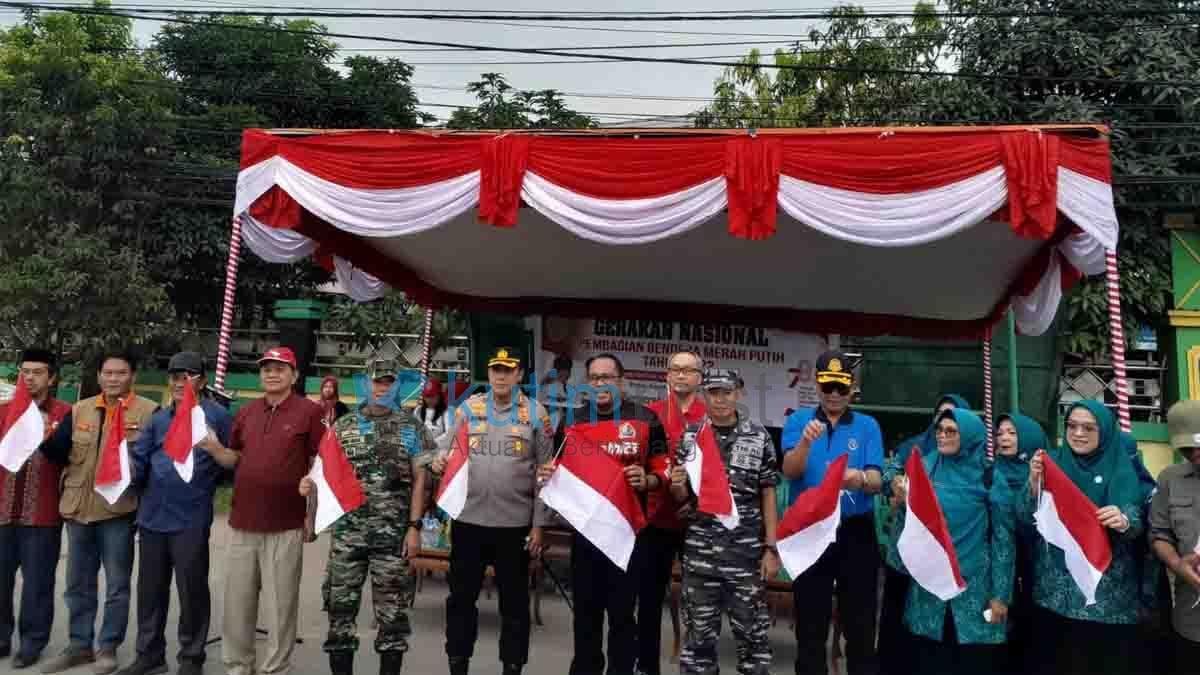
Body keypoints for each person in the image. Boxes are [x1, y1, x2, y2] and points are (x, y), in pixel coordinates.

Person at [299, 361, 435, 675]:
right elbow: (323, 475)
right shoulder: (343, 428)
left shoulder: (412, 428)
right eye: (377, 382)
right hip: (348, 537)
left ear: (397, 386)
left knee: (393, 621)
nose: (382, 388)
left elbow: (421, 481)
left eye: (388, 382)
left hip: (393, 539)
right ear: (366, 385)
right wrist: (312, 519)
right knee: (340, 615)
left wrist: (414, 528)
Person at [196, 347, 326, 675]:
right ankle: (238, 666)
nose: (271, 373)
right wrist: (214, 448)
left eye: (280, 368)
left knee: (281, 606)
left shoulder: (308, 413)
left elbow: (321, 464)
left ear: (294, 375)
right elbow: (235, 458)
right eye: (266, 368)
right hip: (242, 523)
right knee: (237, 604)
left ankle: (275, 669)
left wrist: (311, 512)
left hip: (286, 524)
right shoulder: (247, 412)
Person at [540, 353, 668, 675]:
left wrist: (649, 479)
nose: (600, 383)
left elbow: (663, 468)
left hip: (628, 536)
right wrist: (547, 474)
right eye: (594, 378)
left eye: (607, 377)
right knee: (586, 615)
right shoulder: (574, 422)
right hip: (586, 538)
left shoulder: (646, 419)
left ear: (621, 381)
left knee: (623, 617)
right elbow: (558, 467)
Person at [430, 347, 553, 675]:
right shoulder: (468, 409)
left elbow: (545, 474)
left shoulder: (536, 414)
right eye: (495, 369)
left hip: (514, 526)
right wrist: (438, 460)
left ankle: (512, 666)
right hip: (469, 522)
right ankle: (458, 662)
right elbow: (444, 452)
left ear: (519, 375)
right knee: (460, 601)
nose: (500, 375)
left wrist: (539, 525)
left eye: (507, 369)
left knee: (514, 605)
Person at [38, 350, 158, 675]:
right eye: (108, 373)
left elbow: (153, 467)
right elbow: (59, 454)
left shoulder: (148, 412)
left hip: (118, 511)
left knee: (117, 585)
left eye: (120, 373)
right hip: (78, 509)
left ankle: (108, 648)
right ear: (99, 376)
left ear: (131, 375)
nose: (113, 379)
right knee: (77, 582)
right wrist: (44, 436)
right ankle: (79, 646)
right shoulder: (80, 410)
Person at [118, 352, 233, 675]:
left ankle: (191, 657)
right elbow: (139, 463)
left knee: (192, 591)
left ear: (203, 380)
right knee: (150, 591)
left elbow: (232, 462)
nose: (180, 382)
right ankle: (149, 653)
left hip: (191, 520)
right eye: (174, 376)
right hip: (153, 518)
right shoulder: (158, 419)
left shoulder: (217, 417)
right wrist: (123, 466)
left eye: (188, 375)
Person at [887, 409, 1014, 675]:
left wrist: (1000, 595)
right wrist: (900, 504)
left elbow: (1003, 540)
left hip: (973, 589)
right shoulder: (924, 468)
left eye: (951, 431)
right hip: (928, 591)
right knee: (928, 660)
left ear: (969, 435)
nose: (942, 436)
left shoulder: (988, 477)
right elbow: (907, 528)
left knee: (969, 661)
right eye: (940, 430)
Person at [669, 369, 779, 675]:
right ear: (705, 395)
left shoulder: (758, 437)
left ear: (739, 393)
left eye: (727, 392)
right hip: (700, 556)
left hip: (745, 557)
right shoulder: (691, 436)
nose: (720, 400)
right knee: (699, 643)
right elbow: (681, 499)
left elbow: (767, 493)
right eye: (714, 393)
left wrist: (771, 548)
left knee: (753, 642)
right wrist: (676, 485)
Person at [781, 349, 884, 675]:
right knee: (811, 622)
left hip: (855, 530)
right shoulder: (799, 421)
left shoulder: (867, 426)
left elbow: (878, 480)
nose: (835, 394)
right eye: (828, 387)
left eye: (842, 387)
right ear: (818, 385)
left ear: (852, 387)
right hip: (811, 530)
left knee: (861, 623)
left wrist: (860, 479)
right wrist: (805, 445)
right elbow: (790, 471)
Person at [1024, 401, 1144, 675]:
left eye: (1088, 428)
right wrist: (1033, 484)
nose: (1078, 433)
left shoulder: (1120, 468)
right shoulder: (1050, 463)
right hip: (1053, 596)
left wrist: (1123, 520)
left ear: (1104, 432)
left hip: (1105, 603)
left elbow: (1136, 522)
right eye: (1072, 426)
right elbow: (1024, 518)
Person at [878, 393, 971, 675]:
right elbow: (888, 477)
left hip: (936, 558)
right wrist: (895, 483)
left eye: (953, 419)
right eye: (940, 416)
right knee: (896, 620)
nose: (943, 427)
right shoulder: (914, 448)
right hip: (904, 554)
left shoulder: (974, 462)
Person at [0, 349, 71, 669]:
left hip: (42, 514)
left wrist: (45, 434)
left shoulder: (65, 413)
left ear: (52, 377)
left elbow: (68, 457)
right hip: (2, 512)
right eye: (25, 371)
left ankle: (32, 643)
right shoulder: (3, 412)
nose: (30, 377)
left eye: (38, 372)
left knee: (38, 584)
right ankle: (1, 639)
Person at [638, 350, 707, 675]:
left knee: (699, 605)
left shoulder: (711, 416)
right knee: (649, 602)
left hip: (698, 522)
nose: (681, 375)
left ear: (699, 377)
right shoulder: (649, 414)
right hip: (655, 520)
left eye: (688, 370)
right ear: (666, 375)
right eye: (675, 369)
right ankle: (646, 667)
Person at [991, 413, 1047, 674]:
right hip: (999, 558)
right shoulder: (989, 473)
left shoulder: (1045, 470)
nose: (1003, 437)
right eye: (1000, 432)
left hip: (1036, 559)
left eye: (1012, 433)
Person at [1150, 399, 1200, 673]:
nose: (1193, 454)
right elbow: (1159, 534)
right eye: (1186, 448)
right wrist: (1177, 564)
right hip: (1191, 615)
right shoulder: (1170, 479)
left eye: (1197, 445)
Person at [415, 379, 449, 446]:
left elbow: (449, 433)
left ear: (439, 396)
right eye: (427, 396)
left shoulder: (446, 413)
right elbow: (413, 428)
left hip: (438, 450)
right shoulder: (418, 410)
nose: (429, 399)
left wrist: (434, 442)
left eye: (433, 396)